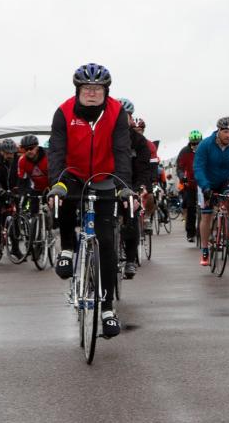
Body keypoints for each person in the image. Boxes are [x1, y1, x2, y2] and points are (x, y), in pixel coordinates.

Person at [47, 63, 132, 338]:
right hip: (72, 173)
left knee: (106, 243)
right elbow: (57, 151)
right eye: (87, 88)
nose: (92, 93)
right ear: (78, 90)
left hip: (104, 176)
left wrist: (124, 186)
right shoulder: (63, 112)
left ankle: (107, 309)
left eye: (97, 88)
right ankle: (68, 250)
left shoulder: (117, 112)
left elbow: (121, 150)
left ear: (106, 91)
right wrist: (56, 183)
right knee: (63, 199)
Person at [193, 117, 229, 266]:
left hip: (224, 180)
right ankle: (205, 250)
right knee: (207, 217)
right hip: (207, 182)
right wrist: (205, 187)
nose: (228, 135)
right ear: (218, 131)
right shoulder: (205, 145)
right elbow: (198, 168)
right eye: (225, 132)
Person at [117, 97, 152, 278]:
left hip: (130, 184)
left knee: (130, 218)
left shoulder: (139, 141)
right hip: (108, 183)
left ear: (131, 118)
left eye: (127, 115)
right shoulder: (104, 135)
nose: (123, 118)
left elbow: (144, 168)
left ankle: (130, 260)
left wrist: (140, 188)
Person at [0, 138, 21, 259]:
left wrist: (19, 189)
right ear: (2, 152)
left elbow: (21, 175)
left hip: (12, 190)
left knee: (16, 217)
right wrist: (0, 190)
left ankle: (15, 248)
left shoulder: (17, 160)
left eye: (12, 153)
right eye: (8, 153)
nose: (10, 155)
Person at [176, 130, 202, 242]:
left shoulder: (205, 150)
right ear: (190, 142)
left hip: (203, 183)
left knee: (208, 207)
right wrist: (182, 177)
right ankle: (190, 233)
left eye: (198, 143)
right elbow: (179, 167)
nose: (195, 146)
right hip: (190, 184)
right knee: (191, 208)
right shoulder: (184, 152)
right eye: (193, 143)